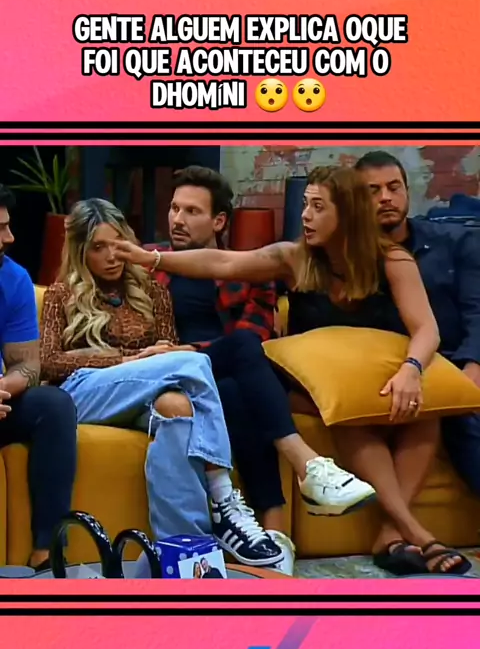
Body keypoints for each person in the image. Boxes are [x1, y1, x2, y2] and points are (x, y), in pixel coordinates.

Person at [114, 165, 472, 576]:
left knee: (425, 417)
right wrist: (154, 258)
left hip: (379, 377)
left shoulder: (391, 259)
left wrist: (411, 369)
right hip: (314, 388)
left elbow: (426, 329)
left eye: (317, 207)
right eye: (305, 204)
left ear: (347, 213)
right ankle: (414, 532)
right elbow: (224, 262)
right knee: (346, 418)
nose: (305, 215)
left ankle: (389, 534)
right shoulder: (295, 258)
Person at [39, 197, 257, 563]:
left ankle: (186, 554)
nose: (112, 256)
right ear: (80, 251)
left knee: (178, 407)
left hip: (142, 391)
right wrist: (125, 360)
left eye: (118, 244)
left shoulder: (153, 291)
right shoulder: (62, 294)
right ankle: (223, 496)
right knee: (193, 362)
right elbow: (48, 363)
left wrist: (157, 354)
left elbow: (167, 350)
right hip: (83, 393)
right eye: (98, 248)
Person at [355, 149, 480, 503]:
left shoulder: (455, 242)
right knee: (453, 416)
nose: (386, 198)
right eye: (373, 191)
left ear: (407, 192)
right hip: (400, 373)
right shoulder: (352, 259)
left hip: (458, 362)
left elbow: (477, 310)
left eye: (394, 187)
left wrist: (474, 366)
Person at [0, 184, 78, 572]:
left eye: (8, 225)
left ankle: (48, 554)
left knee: (53, 404)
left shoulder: (12, 279)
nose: (9, 238)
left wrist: (3, 388)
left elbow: (28, 365)